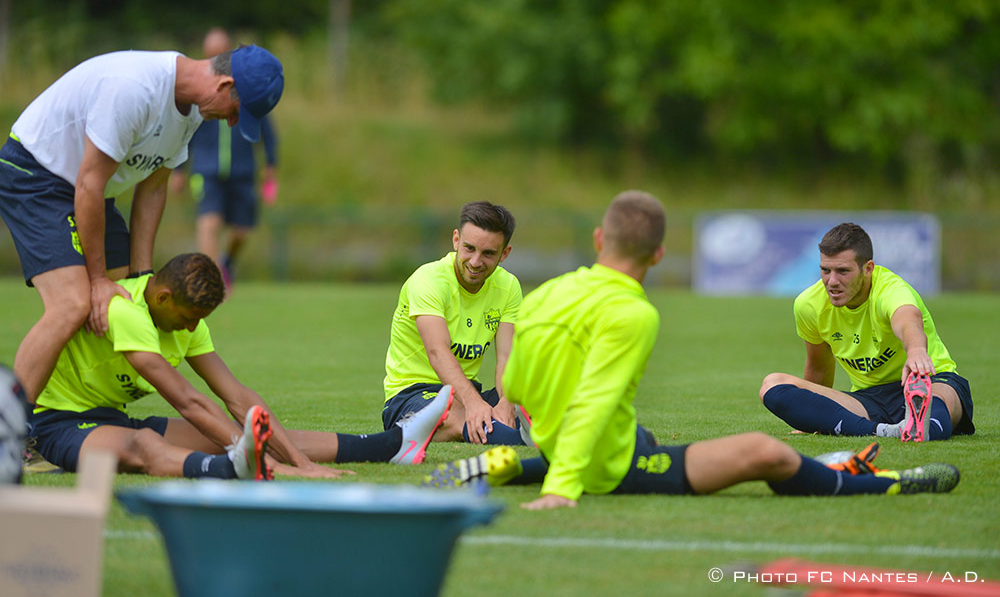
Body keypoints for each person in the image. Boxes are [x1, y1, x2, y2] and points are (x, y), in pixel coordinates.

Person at [423, 191, 959, 508]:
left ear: (597, 239)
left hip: (575, 444)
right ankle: (884, 487)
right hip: (616, 463)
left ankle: (513, 464)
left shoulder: (545, 293)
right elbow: (595, 399)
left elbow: (513, 384)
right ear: (658, 255)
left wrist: (553, 439)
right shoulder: (634, 312)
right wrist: (564, 486)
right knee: (764, 453)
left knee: (632, 437)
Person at [0, 42, 285, 405]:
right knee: (72, 303)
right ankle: (9, 429)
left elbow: (153, 189)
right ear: (225, 85)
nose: (231, 122)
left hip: (86, 188)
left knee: (129, 301)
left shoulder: (194, 112)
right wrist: (98, 280)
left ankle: (69, 411)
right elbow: (89, 183)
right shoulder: (135, 90)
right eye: (236, 112)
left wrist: (140, 276)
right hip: (35, 172)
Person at [26, 253, 453, 480]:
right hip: (57, 425)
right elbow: (190, 401)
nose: (193, 328)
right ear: (162, 299)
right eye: (189, 317)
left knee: (261, 432)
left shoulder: (184, 318)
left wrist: (292, 458)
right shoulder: (127, 313)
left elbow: (236, 396)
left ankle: (390, 445)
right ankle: (235, 469)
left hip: (107, 417)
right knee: (142, 452)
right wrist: (273, 464)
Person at [758, 222, 974, 442]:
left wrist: (917, 352)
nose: (832, 282)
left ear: (868, 268)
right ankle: (883, 431)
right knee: (773, 385)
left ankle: (922, 426)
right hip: (869, 400)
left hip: (931, 383)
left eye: (843, 271)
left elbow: (909, 322)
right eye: (825, 270)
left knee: (938, 406)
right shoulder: (808, 304)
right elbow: (819, 368)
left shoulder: (892, 290)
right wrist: (810, 416)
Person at [381, 201, 528, 446]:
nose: (475, 261)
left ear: (505, 253)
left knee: (536, 399)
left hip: (465, 391)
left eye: (488, 253)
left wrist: (506, 403)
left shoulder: (509, 286)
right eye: (469, 248)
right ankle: (518, 440)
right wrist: (474, 404)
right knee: (459, 416)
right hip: (413, 394)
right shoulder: (428, 280)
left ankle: (503, 427)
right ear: (456, 240)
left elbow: (507, 357)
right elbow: (437, 352)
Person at [170, 28, 280, 289]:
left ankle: (226, 261)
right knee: (210, 221)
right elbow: (187, 134)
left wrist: (271, 165)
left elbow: (268, 133)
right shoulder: (200, 95)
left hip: (243, 170)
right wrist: (178, 170)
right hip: (206, 170)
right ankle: (212, 283)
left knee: (242, 230)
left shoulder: (248, 90)